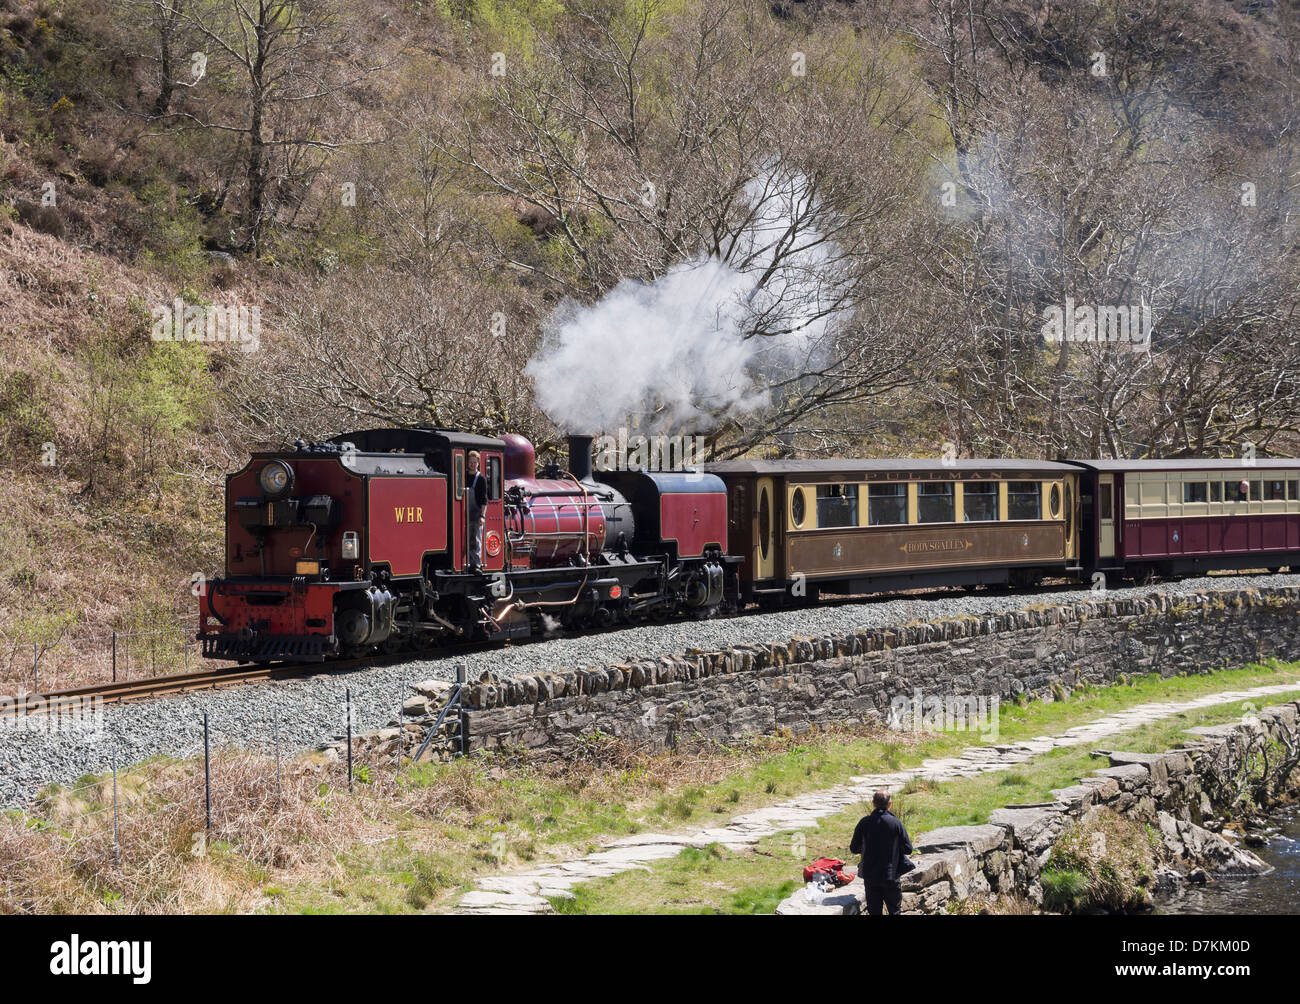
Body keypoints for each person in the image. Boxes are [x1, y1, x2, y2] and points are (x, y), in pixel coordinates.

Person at [849, 789, 913, 916]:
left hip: (870, 876)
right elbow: (908, 848)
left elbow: (854, 848)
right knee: (894, 911)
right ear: (889, 804)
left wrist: (868, 848)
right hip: (891, 875)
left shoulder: (864, 822)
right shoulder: (895, 822)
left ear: (873, 803)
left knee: (874, 912)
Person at [466, 451, 488, 571]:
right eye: (471, 462)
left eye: (475, 462)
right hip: (464, 513)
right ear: (468, 463)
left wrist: (482, 516)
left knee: (476, 540)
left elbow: (484, 500)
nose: (473, 464)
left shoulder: (481, 479)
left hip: (476, 513)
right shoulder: (463, 476)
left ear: (478, 463)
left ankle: (476, 565)